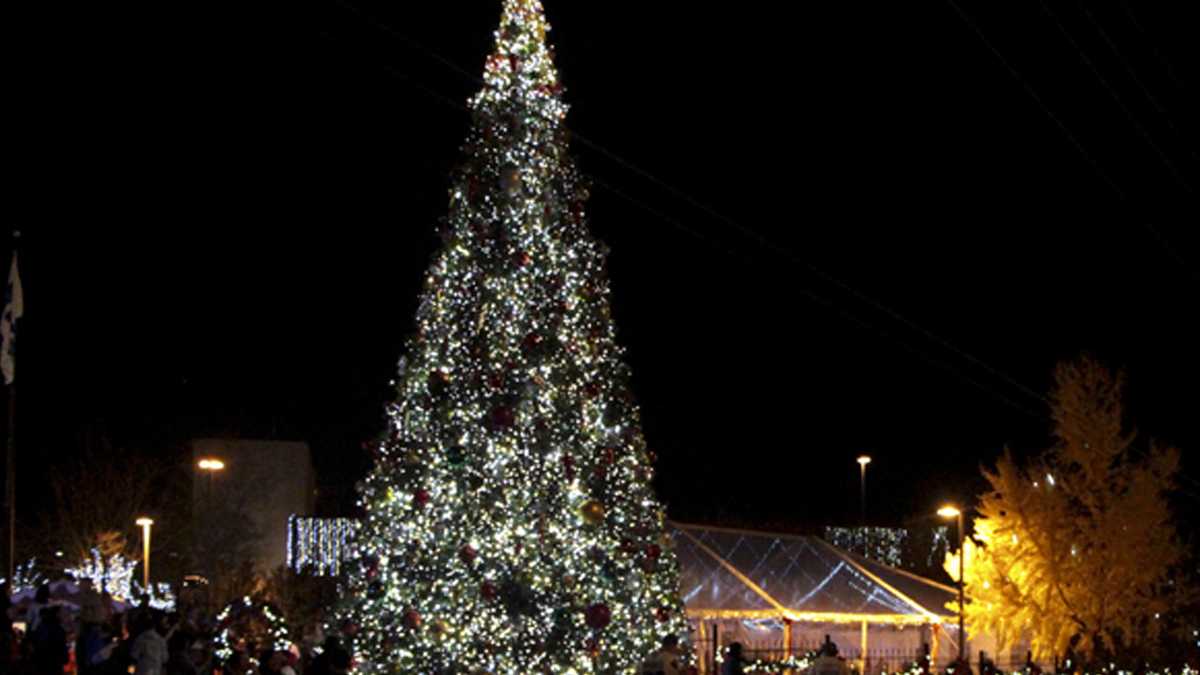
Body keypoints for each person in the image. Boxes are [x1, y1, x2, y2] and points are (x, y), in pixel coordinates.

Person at [32, 605, 71, 675]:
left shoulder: (42, 626)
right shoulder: (56, 629)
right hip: (52, 664)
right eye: (63, 613)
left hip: (43, 664)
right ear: (57, 614)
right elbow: (59, 646)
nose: (66, 615)